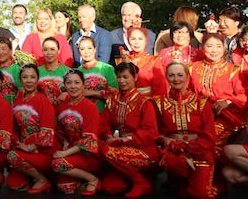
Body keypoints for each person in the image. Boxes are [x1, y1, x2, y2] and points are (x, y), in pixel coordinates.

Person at [153, 62, 217, 199]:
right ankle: (178, 179)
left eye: (180, 75)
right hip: (172, 151)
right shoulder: (159, 103)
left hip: (199, 153)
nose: (176, 79)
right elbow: (155, 132)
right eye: (171, 75)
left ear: (187, 76)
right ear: (166, 77)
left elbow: (209, 137)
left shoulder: (202, 102)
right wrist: (165, 140)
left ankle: (187, 181)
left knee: (200, 194)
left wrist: (187, 146)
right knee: (171, 164)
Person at [100, 62, 159, 198]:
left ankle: (141, 182)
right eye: (119, 77)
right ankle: (136, 176)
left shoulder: (144, 102)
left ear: (135, 77)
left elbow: (151, 132)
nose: (121, 81)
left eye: (126, 77)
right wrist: (108, 136)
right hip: (118, 147)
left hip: (143, 149)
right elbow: (103, 125)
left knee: (107, 151)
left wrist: (127, 139)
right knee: (110, 187)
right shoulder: (112, 100)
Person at [190, 32, 247, 157]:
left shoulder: (233, 70)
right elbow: (187, 93)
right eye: (210, 46)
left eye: (218, 46)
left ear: (224, 48)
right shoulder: (192, 68)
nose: (214, 50)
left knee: (208, 141)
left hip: (225, 116)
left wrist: (227, 101)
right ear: (202, 47)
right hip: (198, 114)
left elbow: (244, 95)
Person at [6, 64, 57, 194]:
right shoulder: (18, 99)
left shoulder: (43, 101)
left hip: (42, 150)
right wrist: (17, 142)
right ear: (20, 80)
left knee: (12, 157)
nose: (29, 81)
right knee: (14, 184)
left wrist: (30, 147)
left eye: (32, 77)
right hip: (24, 147)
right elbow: (15, 127)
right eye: (25, 77)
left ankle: (42, 179)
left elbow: (47, 132)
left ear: (37, 79)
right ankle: (31, 174)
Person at [52, 69, 101, 195]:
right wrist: (64, 142)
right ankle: (79, 177)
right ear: (64, 86)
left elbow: (89, 141)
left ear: (83, 85)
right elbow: (61, 131)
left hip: (88, 154)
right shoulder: (62, 107)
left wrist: (65, 153)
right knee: (65, 187)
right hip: (72, 151)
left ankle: (93, 179)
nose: (73, 86)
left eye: (77, 83)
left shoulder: (90, 107)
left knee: (58, 164)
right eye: (69, 83)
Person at [156, 21, 205, 94]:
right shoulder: (164, 53)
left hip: (192, 94)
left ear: (190, 35)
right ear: (172, 35)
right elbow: (159, 75)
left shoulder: (199, 54)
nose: (180, 35)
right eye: (177, 32)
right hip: (168, 94)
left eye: (185, 32)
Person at [76, 36, 117, 113]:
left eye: (89, 48)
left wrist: (92, 93)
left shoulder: (107, 68)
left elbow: (115, 94)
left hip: (104, 114)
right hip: (83, 114)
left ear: (95, 49)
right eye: (82, 49)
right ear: (79, 52)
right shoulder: (77, 72)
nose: (86, 52)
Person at [117, 27, 161, 95]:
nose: (137, 42)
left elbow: (160, 87)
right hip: (127, 102)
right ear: (128, 41)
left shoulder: (154, 61)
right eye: (133, 39)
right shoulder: (122, 60)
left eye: (140, 39)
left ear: (146, 41)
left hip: (147, 101)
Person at [37, 37, 71, 105]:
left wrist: (67, 94)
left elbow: (76, 92)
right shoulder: (36, 72)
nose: (49, 53)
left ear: (59, 51)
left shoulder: (69, 72)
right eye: (45, 50)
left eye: (52, 49)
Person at [0, 37, 22, 104]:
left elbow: (22, 91)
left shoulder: (16, 69)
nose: (0, 52)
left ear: (11, 51)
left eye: (3, 49)